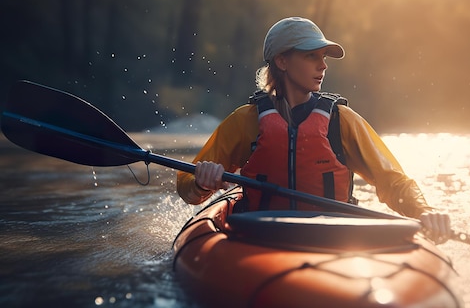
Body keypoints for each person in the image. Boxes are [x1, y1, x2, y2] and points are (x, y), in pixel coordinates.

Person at [176, 16, 451, 243]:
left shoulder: (342, 121)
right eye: (311, 56)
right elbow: (187, 187)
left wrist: (424, 211)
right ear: (282, 61)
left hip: (333, 238)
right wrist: (202, 180)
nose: (323, 65)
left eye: (323, 57)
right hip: (259, 237)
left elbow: (393, 181)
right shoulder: (245, 121)